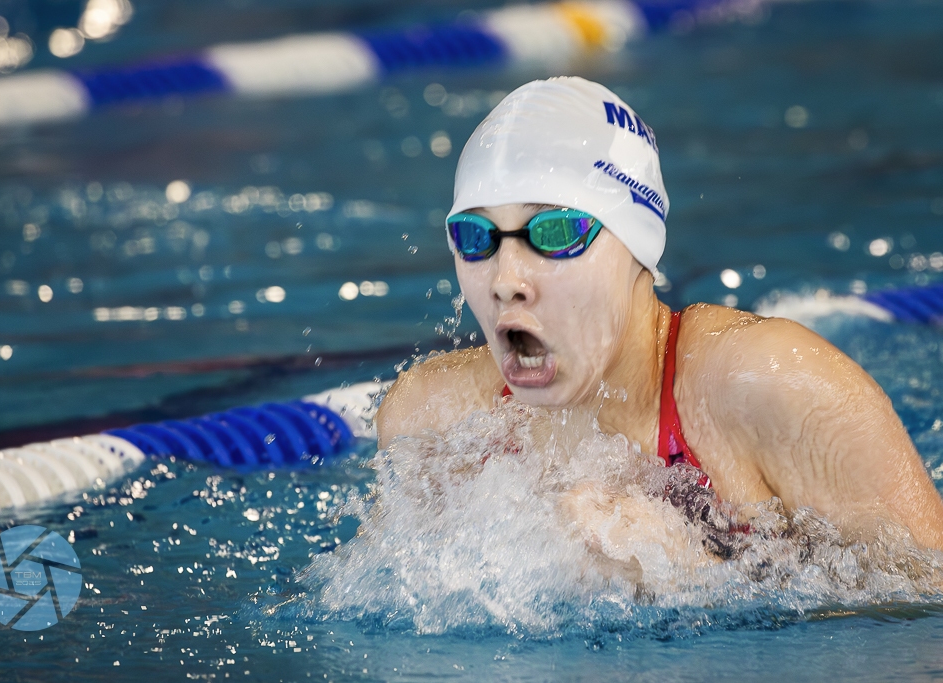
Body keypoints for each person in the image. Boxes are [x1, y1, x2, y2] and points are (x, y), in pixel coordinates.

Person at [376, 76, 943, 551]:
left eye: (554, 231)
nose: (505, 281)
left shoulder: (778, 388)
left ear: (635, 245)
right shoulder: (432, 425)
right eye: (475, 236)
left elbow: (925, 606)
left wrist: (695, 573)